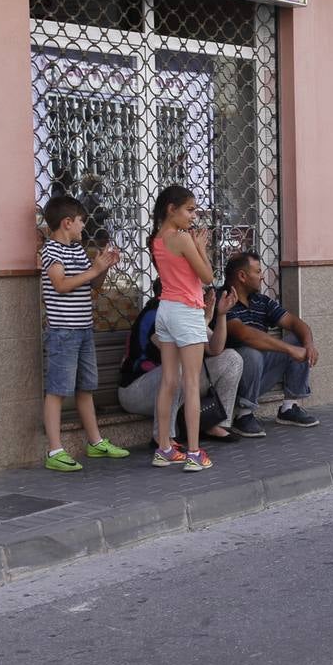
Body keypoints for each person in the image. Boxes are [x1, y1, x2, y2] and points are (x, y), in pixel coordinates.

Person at [39, 195, 129, 472]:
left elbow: (92, 284)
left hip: (84, 328)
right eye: (80, 222)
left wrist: (103, 267)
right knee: (57, 390)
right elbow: (61, 285)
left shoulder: (77, 250)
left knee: (86, 387)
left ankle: (95, 441)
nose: (82, 227)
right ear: (67, 222)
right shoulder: (51, 252)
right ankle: (55, 450)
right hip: (63, 331)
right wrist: (94, 270)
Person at [118, 280, 243, 446]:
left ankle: (213, 424)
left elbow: (215, 349)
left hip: (171, 384)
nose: (202, 293)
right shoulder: (155, 314)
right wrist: (204, 320)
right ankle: (163, 437)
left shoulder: (186, 314)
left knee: (231, 359)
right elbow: (178, 354)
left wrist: (220, 315)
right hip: (135, 391)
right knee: (176, 369)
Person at [149, 185, 216, 472]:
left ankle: (164, 447)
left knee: (168, 381)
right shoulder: (182, 239)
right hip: (186, 311)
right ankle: (193, 452)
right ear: (171, 209)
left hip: (165, 311)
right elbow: (207, 276)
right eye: (189, 209)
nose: (194, 215)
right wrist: (201, 248)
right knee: (190, 382)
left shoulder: (157, 239)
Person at [223, 251, 321, 437]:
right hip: (231, 384)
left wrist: (308, 344)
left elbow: (294, 323)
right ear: (242, 276)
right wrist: (289, 350)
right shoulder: (224, 299)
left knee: (298, 339)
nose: (262, 276)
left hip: (259, 375)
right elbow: (245, 334)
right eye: (258, 271)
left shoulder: (261, 301)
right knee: (251, 352)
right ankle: (243, 415)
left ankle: (289, 407)